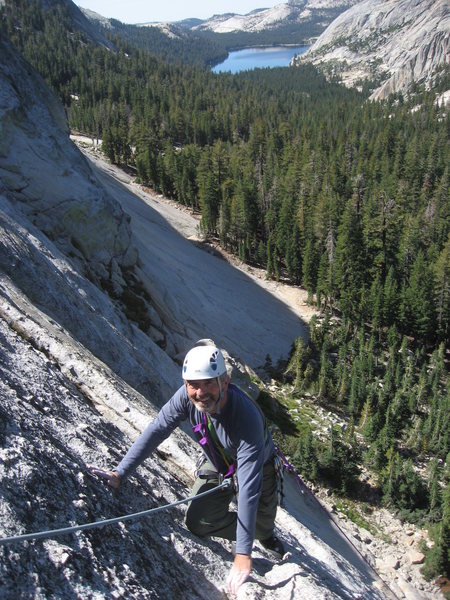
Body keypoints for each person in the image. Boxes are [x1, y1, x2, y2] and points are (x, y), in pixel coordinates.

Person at [91, 344, 284, 595]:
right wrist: (120, 473)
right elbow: (157, 429)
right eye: (193, 384)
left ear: (224, 382)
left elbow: (248, 486)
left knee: (262, 527)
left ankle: (264, 533)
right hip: (217, 460)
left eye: (208, 383)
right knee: (197, 522)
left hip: (259, 467)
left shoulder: (245, 417)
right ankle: (251, 528)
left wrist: (243, 553)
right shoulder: (186, 397)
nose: (200, 392)